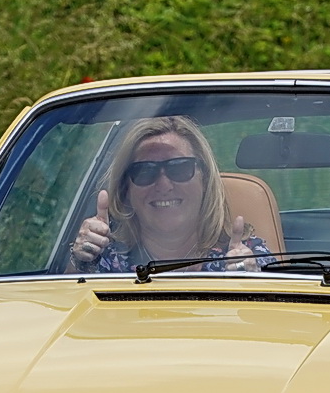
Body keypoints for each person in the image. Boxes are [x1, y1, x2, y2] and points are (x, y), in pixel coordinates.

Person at [67, 115, 269, 274]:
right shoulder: (104, 260)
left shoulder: (247, 256)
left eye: (179, 168)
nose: (163, 185)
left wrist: (251, 282)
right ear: (126, 189)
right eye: (145, 171)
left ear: (205, 179)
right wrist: (81, 260)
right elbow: (66, 303)